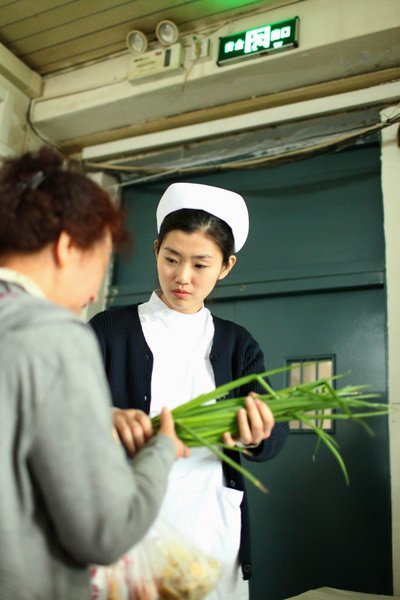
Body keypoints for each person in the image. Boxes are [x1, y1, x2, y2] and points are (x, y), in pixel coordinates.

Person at [0, 147, 189, 600]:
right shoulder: (56, 335)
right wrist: (162, 450)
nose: (90, 295)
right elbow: (105, 530)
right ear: (67, 246)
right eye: (99, 268)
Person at [90, 182, 289, 599]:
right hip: (131, 523)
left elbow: (273, 436)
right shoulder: (110, 330)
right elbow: (61, 418)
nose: (182, 277)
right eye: (171, 259)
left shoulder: (238, 344)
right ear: (156, 249)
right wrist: (102, 418)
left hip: (211, 524)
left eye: (201, 265)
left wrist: (258, 433)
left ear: (226, 267)